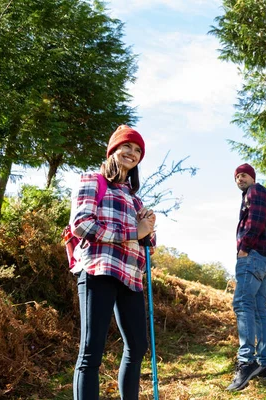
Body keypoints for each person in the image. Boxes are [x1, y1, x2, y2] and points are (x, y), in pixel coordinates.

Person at [70, 125, 156, 400]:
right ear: (113, 150)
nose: (132, 153)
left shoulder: (134, 198)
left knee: (138, 346)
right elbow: (81, 226)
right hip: (99, 270)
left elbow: (147, 245)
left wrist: (149, 228)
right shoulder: (92, 181)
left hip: (131, 277)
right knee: (91, 350)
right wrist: (135, 231)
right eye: (127, 147)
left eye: (138, 150)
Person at [227, 163, 266, 391]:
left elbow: (254, 222)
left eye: (244, 175)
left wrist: (244, 247)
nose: (240, 179)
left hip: (253, 256)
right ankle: (263, 365)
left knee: (242, 304)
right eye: (237, 177)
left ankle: (246, 362)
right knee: (259, 310)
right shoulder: (264, 195)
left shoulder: (255, 192)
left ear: (252, 177)